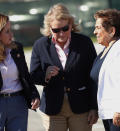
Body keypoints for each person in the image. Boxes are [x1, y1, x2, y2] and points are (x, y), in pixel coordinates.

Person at [30, 3, 98, 131]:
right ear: (49, 28)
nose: (61, 33)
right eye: (56, 30)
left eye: (65, 28)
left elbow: (93, 77)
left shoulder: (84, 43)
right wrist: (46, 75)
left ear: (71, 24)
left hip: (81, 107)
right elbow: (33, 76)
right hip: (53, 109)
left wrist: (94, 107)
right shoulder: (40, 45)